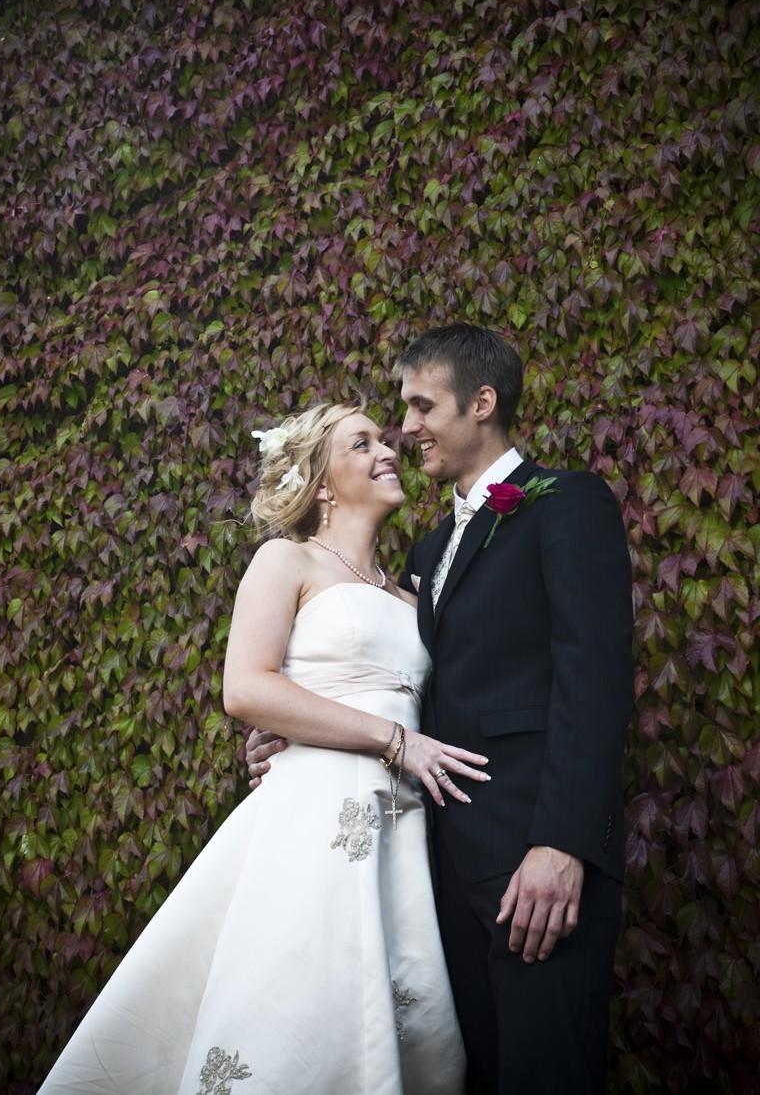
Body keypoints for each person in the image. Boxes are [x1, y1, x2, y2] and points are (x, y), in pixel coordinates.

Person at [38, 400, 489, 1095]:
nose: (387, 450)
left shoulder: (413, 595)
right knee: (292, 1017)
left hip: (401, 833)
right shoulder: (287, 560)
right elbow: (247, 688)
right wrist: (394, 740)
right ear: (322, 483)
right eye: (360, 444)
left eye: (384, 439)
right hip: (312, 817)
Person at [248, 325, 634, 1095]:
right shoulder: (422, 558)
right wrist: (285, 736)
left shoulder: (568, 506)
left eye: (422, 406)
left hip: (534, 865)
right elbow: (389, 683)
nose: (407, 427)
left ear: (482, 403)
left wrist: (562, 845)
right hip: (428, 875)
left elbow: (596, 684)